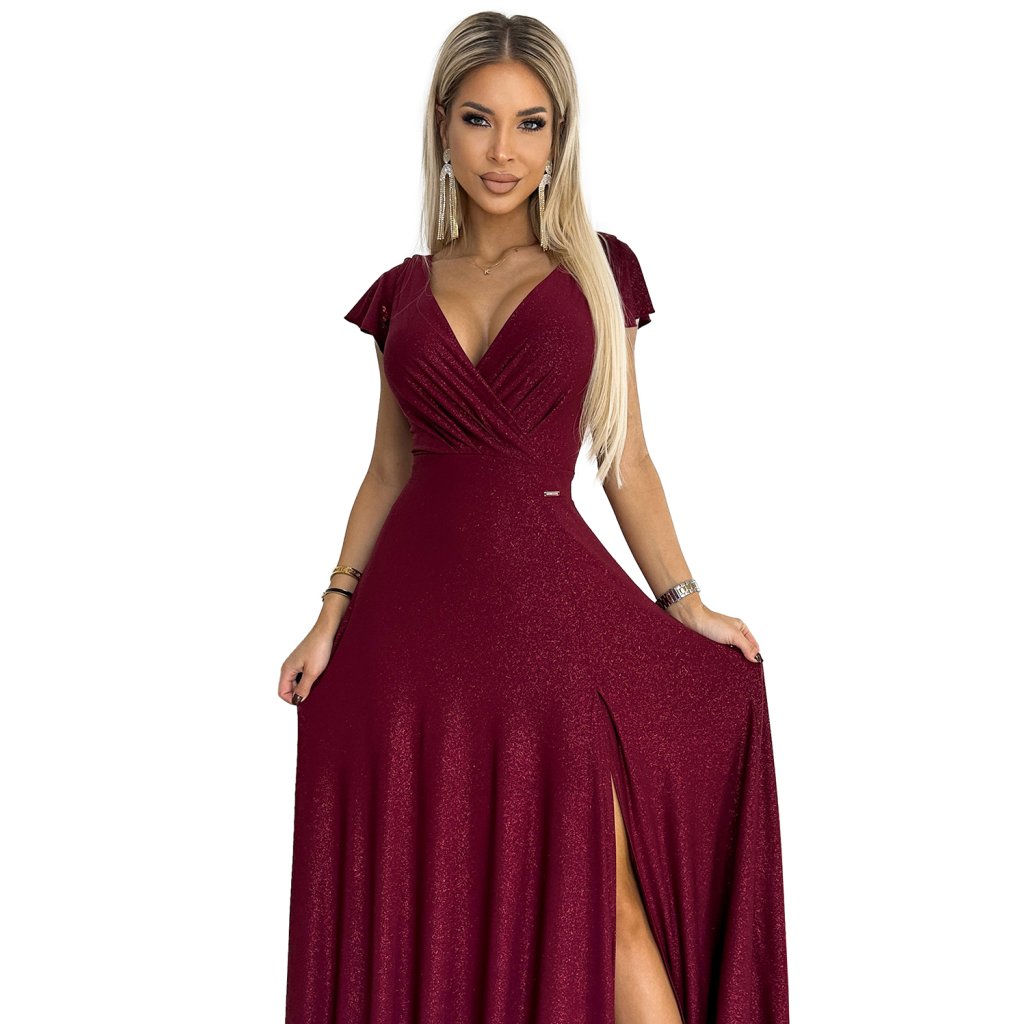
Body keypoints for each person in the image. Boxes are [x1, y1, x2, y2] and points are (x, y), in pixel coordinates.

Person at [279, 12, 789, 1024]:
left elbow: (624, 458)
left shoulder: (596, 270)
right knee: (439, 901)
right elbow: (387, 468)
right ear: (442, 125)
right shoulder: (404, 292)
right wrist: (330, 614)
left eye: (530, 123)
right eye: (478, 119)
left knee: (612, 910)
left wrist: (684, 601)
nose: (502, 151)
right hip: (411, 630)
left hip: (548, 624)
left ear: (560, 136)